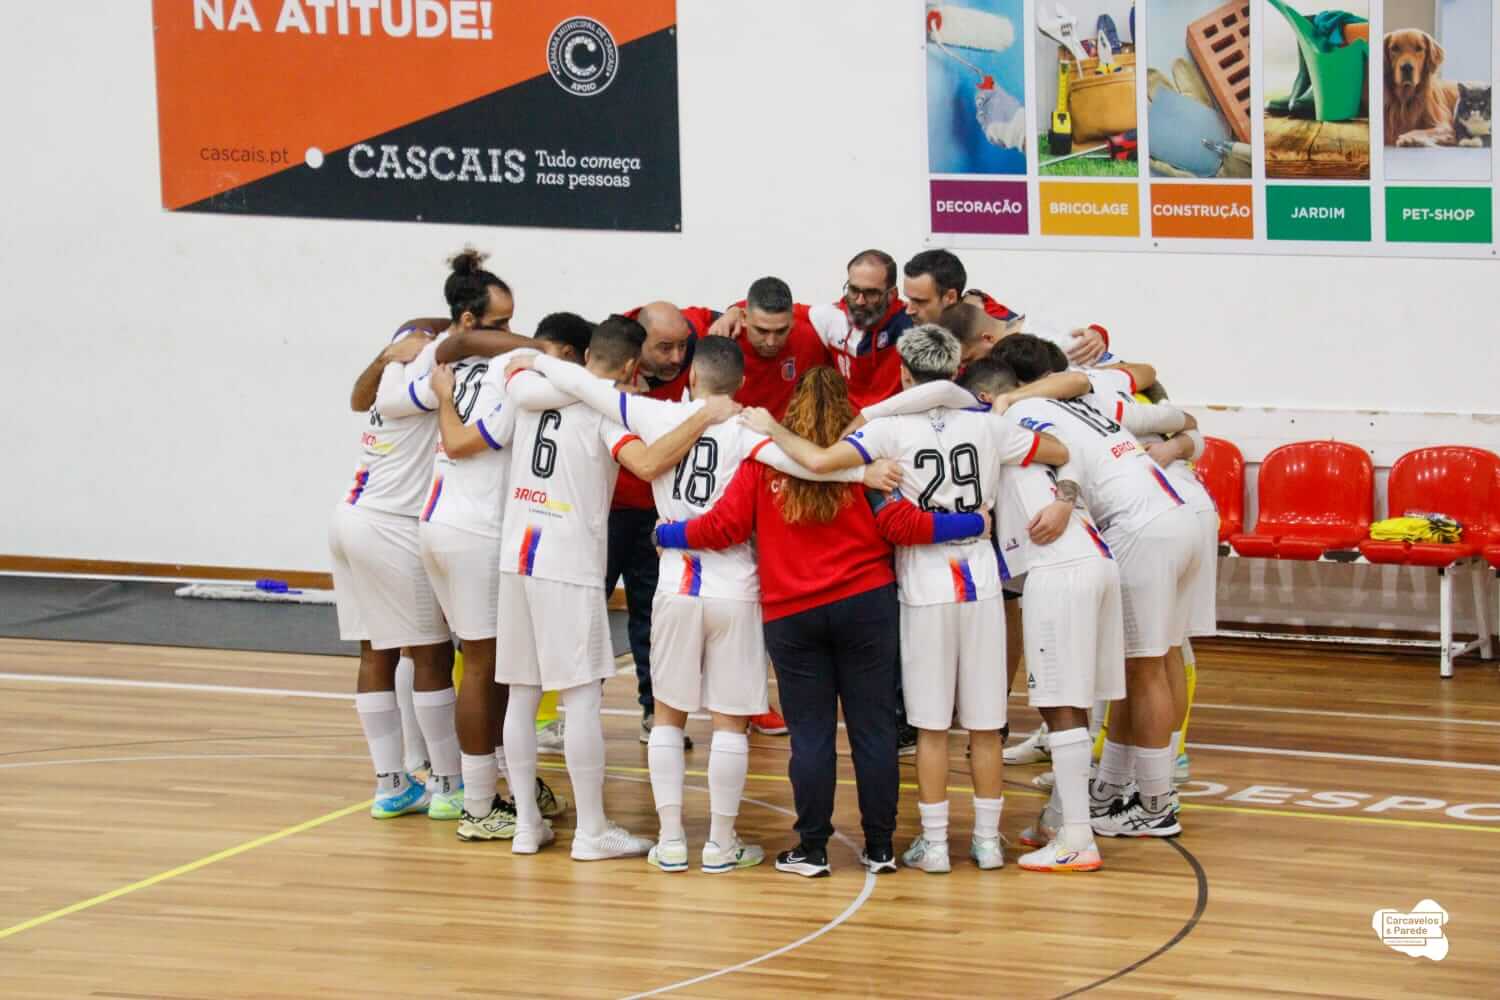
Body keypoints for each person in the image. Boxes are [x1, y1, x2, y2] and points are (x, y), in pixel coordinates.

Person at [507, 337, 900, 874]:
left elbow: (583, 386)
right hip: (733, 590)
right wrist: (859, 473)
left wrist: (537, 361)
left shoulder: (651, 412)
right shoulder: (746, 431)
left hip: (675, 585)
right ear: (740, 384)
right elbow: (806, 463)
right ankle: (720, 843)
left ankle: (671, 842)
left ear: (690, 378)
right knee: (730, 723)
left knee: (667, 718)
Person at [745, 327, 1069, 874]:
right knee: (987, 722)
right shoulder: (990, 426)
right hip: (982, 576)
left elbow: (821, 462)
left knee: (931, 725)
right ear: (957, 369)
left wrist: (772, 426)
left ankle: (937, 844)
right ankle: (988, 843)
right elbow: (1058, 450)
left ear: (902, 372)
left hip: (926, 584)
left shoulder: (887, 428)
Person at [656, 368, 990, 878]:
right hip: (867, 603)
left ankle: (811, 848)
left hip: (793, 612)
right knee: (873, 730)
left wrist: (668, 533)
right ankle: (881, 847)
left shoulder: (763, 461)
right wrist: (974, 523)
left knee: (810, 736)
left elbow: (723, 526)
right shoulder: (865, 458)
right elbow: (895, 524)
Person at [496, 315, 736, 859]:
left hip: (516, 553)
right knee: (580, 696)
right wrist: (702, 417)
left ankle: (525, 825)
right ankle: (591, 831)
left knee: (521, 692)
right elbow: (648, 462)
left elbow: (515, 374)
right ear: (632, 366)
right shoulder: (604, 408)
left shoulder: (529, 390)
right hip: (567, 559)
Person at [989, 334, 1201, 838]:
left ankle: (1155, 805)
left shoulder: (1027, 412)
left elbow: (1068, 462)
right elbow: (1183, 418)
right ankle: (1114, 790)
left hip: (1139, 529)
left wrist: (1015, 404)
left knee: (1146, 668)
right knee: (1146, 664)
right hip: (1175, 515)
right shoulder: (1096, 401)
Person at [328, 250, 500, 821]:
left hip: (350, 517)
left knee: (375, 652)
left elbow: (357, 398)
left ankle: (392, 782)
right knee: (429, 654)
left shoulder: (389, 375)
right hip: (392, 527)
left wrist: (387, 353)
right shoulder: (427, 377)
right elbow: (457, 345)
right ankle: (450, 784)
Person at [423, 313, 592, 842]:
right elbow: (463, 442)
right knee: (483, 664)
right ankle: (476, 804)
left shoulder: (477, 364)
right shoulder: (519, 374)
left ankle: (508, 785)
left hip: (441, 520)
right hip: (475, 530)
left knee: (493, 665)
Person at [959, 359, 1124, 873]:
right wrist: (1067, 500)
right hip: (1095, 559)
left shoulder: (996, 427)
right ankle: (1059, 820)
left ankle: (1078, 837)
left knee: (1058, 704)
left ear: (987, 397)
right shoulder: (1038, 426)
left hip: (1061, 569)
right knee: (1077, 698)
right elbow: (1072, 456)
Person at [611, 302, 720, 746]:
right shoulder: (612, 355)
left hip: (657, 515)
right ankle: (568, 710)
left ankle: (654, 710)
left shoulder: (691, 326)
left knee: (649, 616)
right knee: (587, 616)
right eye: (665, 348)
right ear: (637, 346)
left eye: (683, 347)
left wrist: (729, 314)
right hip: (605, 509)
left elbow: (719, 313)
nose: (678, 357)